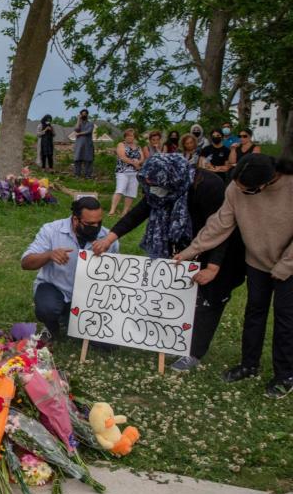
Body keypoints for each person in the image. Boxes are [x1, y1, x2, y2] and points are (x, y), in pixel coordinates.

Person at [93, 154, 246, 371]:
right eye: (149, 186)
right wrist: (110, 237)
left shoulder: (207, 186)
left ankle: (193, 353)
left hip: (219, 249)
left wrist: (213, 267)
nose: (153, 190)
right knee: (176, 295)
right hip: (181, 249)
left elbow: (222, 228)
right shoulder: (159, 186)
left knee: (207, 300)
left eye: (156, 185)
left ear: (171, 178)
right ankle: (172, 339)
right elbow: (139, 212)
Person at [175, 155, 293, 398]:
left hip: (289, 265)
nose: (239, 192)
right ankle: (249, 364)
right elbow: (219, 224)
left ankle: (285, 375)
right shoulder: (235, 189)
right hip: (257, 261)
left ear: (265, 183)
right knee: (254, 311)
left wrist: (285, 266)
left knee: (285, 318)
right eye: (236, 186)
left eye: (245, 190)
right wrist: (190, 251)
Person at [21, 197, 119, 341]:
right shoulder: (51, 230)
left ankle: (68, 319)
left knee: (107, 345)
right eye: (90, 224)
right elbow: (26, 263)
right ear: (75, 220)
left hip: (89, 297)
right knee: (47, 309)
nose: (96, 227)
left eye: (99, 222)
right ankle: (52, 326)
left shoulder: (108, 239)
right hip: (55, 288)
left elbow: (115, 277)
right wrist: (49, 254)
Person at [109, 128, 144, 217]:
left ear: (134, 137)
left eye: (131, 136)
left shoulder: (138, 147)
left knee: (131, 192)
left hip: (134, 173)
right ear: (125, 137)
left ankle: (125, 212)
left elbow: (142, 158)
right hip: (123, 171)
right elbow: (122, 157)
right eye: (127, 136)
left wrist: (138, 163)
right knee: (120, 189)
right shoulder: (121, 144)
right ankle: (112, 210)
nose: (129, 137)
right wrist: (135, 163)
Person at [73, 109, 94, 178]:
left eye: (85, 114)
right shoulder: (79, 123)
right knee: (77, 159)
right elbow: (76, 129)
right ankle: (77, 174)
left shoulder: (90, 123)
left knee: (88, 160)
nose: (84, 115)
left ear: (87, 115)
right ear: (80, 115)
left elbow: (89, 131)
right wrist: (78, 120)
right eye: (82, 114)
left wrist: (79, 133)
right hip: (79, 145)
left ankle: (88, 175)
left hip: (88, 144)